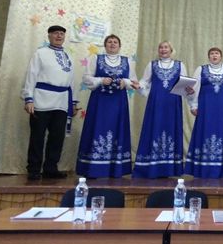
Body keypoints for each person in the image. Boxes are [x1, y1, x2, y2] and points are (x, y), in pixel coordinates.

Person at [22, 25, 78, 180]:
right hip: (41, 99)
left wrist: (73, 102)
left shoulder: (68, 56)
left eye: (62, 34)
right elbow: (31, 75)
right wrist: (28, 98)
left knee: (57, 137)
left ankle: (50, 168)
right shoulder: (40, 53)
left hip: (62, 102)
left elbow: (72, 80)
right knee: (37, 136)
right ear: (49, 36)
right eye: (55, 33)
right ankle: (34, 169)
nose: (59, 36)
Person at [76, 34, 136, 178]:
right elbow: (86, 78)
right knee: (97, 127)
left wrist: (125, 82)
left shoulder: (127, 61)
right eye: (109, 42)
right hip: (100, 102)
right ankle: (93, 168)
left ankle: (116, 169)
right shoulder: (96, 58)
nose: (112, 44)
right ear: (105, 45)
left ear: (119, 46)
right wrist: (101, 80)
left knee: (117, 129)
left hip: (118, 103)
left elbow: (134, 81)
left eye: (115, 42)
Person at [133, 41, 189, 178]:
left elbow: (185, 84)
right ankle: (151, 167)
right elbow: (145, 81)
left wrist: (189, 90)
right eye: (161, 47)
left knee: (171, 129)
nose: (163, 50)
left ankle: (170, 169)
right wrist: (139, 86)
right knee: (154, 128)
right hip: (156, 103)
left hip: (173, 103)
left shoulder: (180, 65)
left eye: (166, 47)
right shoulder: (152, 65)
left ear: (171, 50)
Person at [185, 47, 223, 178]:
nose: (214, 55)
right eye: (211, 53)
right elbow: (193, 89)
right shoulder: (201, 69)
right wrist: (193, 105)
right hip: (206, 109)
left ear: (221, 56)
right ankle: (202, 168)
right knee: (205, 132)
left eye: (217, 53)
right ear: (208, 56)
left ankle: (222, 169)